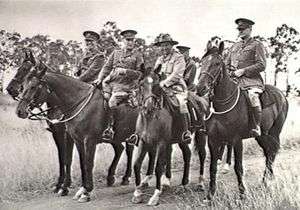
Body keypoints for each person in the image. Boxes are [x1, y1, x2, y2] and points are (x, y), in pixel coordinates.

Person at [95, 29, 144, 141]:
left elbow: (140, 74)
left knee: (112, 101)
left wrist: (126, 71)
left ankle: (110, 128)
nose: (130, 42)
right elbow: (106, 67)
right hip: (109, 83)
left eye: (132, 40)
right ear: (123, 40)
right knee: (99, 100)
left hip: (126, 86)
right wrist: (99, 78)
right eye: (128, 40)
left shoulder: (137, 55)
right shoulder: (116, 53)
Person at [225, 18, 266, 137]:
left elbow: (262, 65)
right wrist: (229, 73)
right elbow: (227, 64)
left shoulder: (257, 45)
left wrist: (243, 71)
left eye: (243, 29)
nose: (240, 31)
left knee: (253, 96)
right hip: (234, 81)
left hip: (251, 81)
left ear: (250, 29)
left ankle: (256, 126)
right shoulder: (234, 46)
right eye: (239, 29)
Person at [153, 34, 192, 142]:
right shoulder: (160, 59)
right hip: (161, 87)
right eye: (162, 45)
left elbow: (177, 74)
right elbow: (155, 73)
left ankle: (185, 131)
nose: (164, 48)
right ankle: (142, 132)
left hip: (176, 87)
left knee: (181, 103)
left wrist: (164, 83)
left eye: (167, 45)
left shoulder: (178, 57)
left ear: (171, 46)